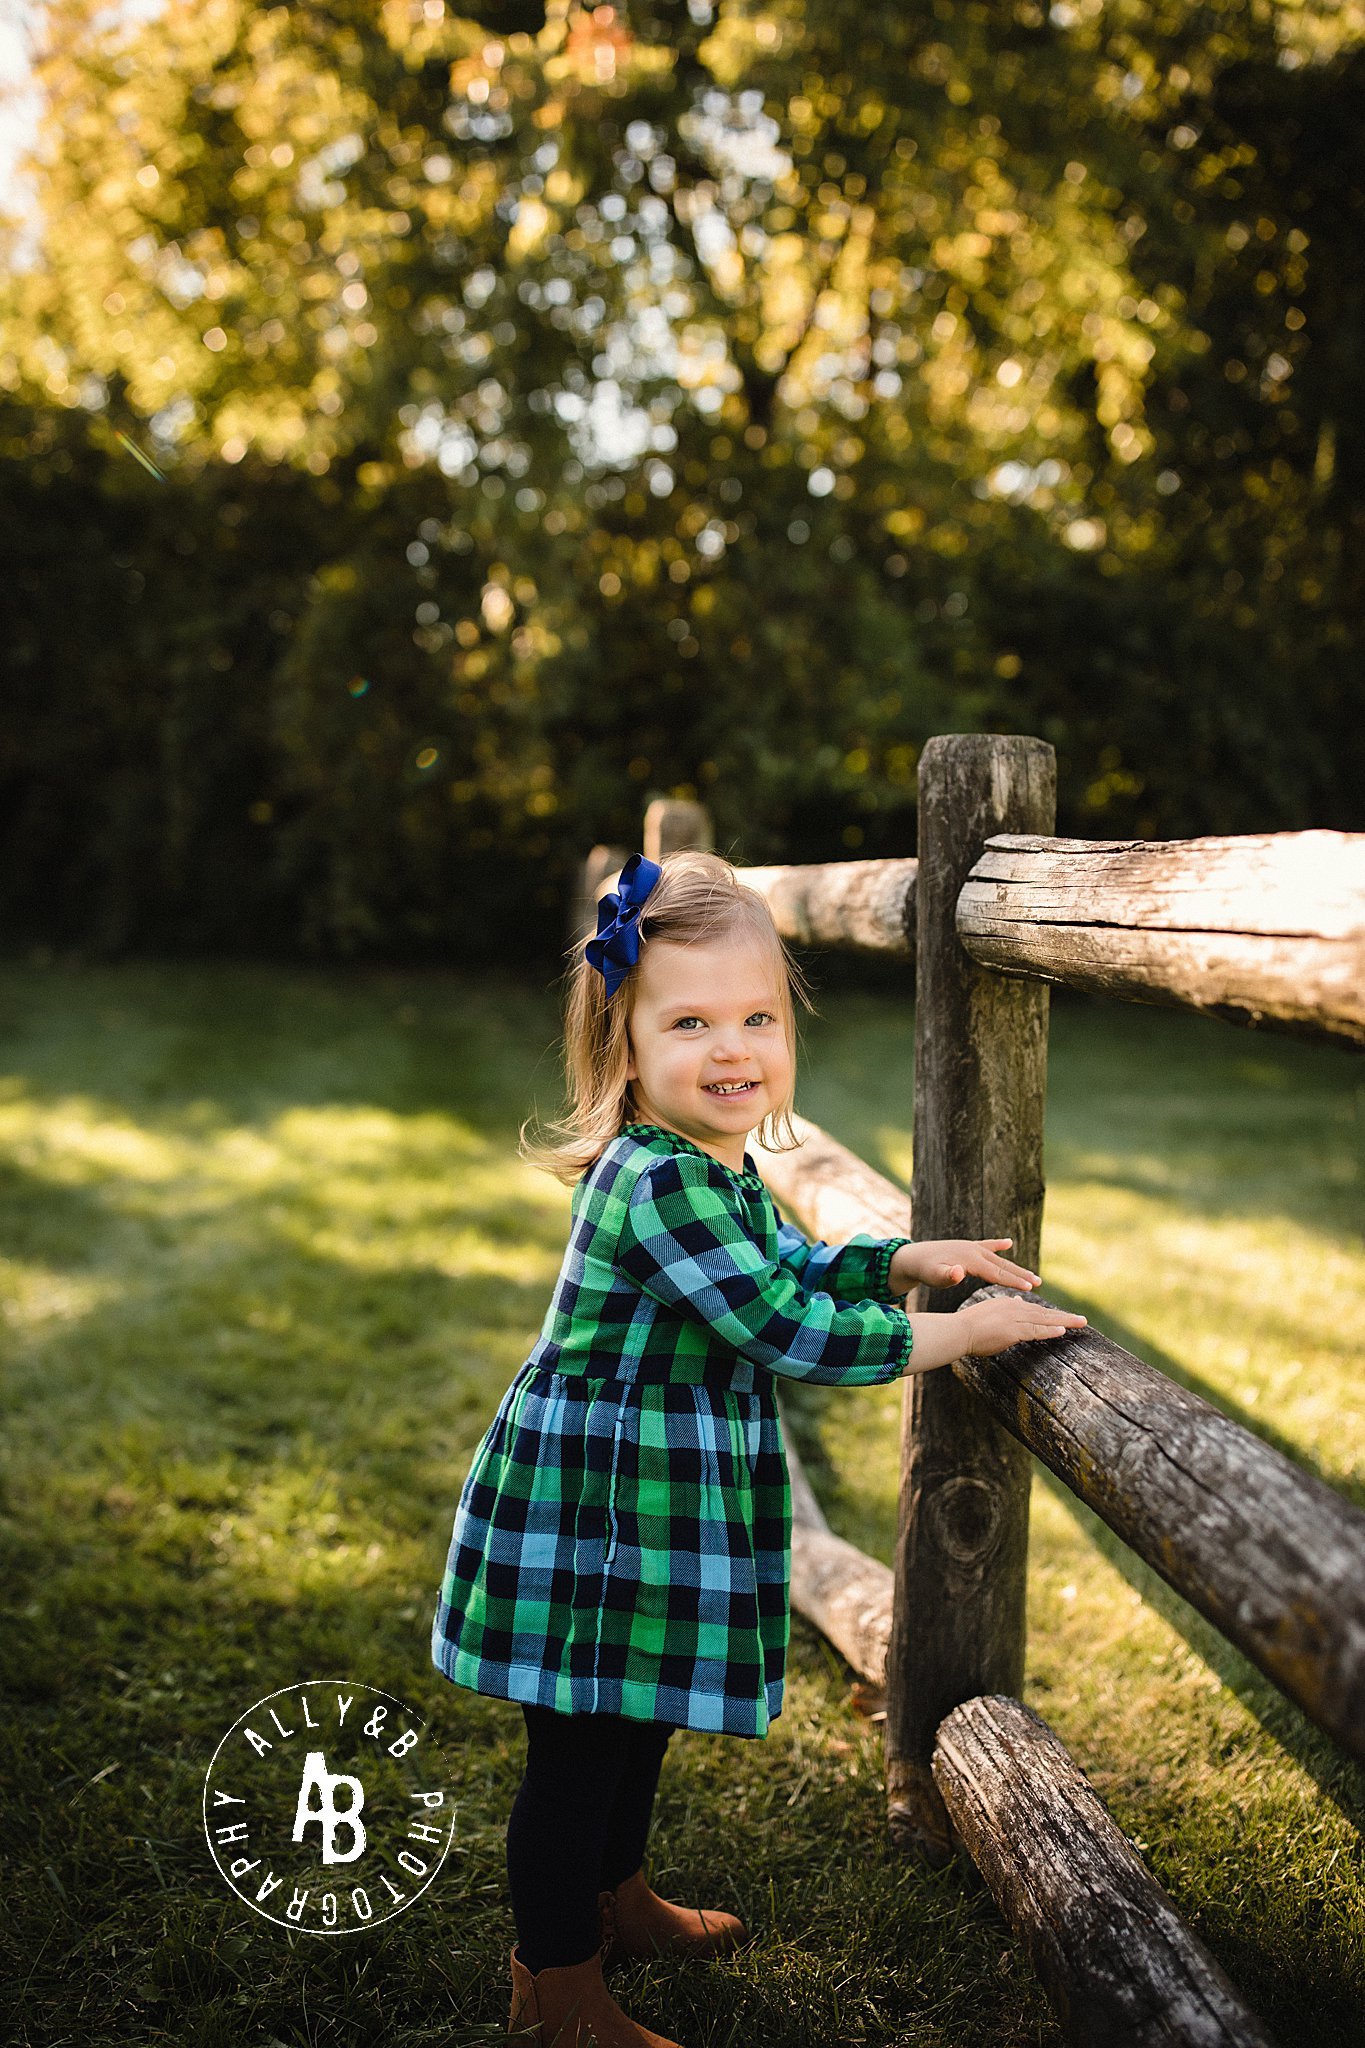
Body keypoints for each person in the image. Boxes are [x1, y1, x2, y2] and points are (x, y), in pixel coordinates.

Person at [430, 849, 1086, 2047]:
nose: (733, 1047)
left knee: (634, 1717)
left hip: (649, 1502)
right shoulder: (654, 1180)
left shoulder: (710, 1166)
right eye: (691, 1021)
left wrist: (897, 1259)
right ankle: (555, 1985)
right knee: (579, 1749)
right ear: (624, 1046)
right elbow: (782, 1327)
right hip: (594, 1513)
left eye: (757, 1017)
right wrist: (957, 1330)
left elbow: (784, 1267)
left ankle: (616, 1899)